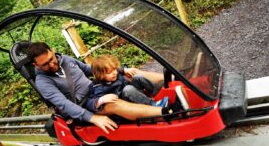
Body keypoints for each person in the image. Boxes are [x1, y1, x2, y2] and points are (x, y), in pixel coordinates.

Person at [28, 42, 189, 134]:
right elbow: (65, 105)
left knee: (132, 72)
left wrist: (119, 70)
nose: (52, 64)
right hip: (85, 105)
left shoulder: (66, 60)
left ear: (52, 51)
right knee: (114, 103)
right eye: (46, 64)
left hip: (97, 89)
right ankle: (170, 112)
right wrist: (92, 118)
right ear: (36, 65)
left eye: (52, 58)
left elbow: (91, 70)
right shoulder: (43, 83)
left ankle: (182, 79)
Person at [86, 55, 169, 113]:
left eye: (114, 69)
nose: (114, 73)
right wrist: (101, 100)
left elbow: (119, 69)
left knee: (137, 77)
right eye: (109, 72)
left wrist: (124, 70)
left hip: (133, 92)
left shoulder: (115, 73)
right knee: (128, 89)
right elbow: (90, 102)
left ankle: (157, 91)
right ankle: (153, 105)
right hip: (126, 101)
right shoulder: (98, 87)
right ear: (100, 75)